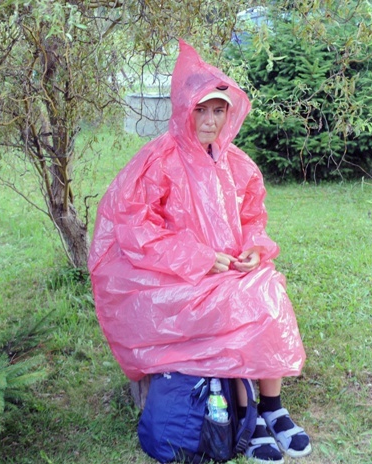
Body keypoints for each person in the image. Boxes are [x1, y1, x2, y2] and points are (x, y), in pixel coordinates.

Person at [88, 40, 312, 463]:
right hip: (169, 279)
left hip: (229, 268)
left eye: (218, 110)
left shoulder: (239, 163)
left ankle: (272, 408)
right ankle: (251, 414)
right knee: (242, 300)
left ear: (230, 112)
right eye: (200, 109)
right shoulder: (157, 161)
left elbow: (254, 221)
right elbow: (134, 228)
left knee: (267, 289)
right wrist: (198, 258)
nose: (210, 121)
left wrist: (254, 250)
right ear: (183, 110)